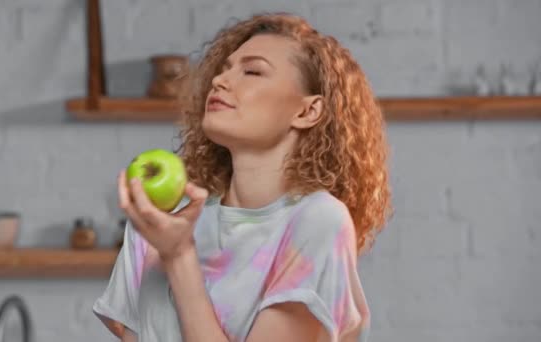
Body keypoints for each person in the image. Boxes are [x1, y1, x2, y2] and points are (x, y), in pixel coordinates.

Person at [93, 12, 392, 342]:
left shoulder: (318, 222)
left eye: (252, 71)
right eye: (223, 69)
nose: (220, 81)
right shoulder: (161, 221)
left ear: (308, 111)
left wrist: (179, 256)